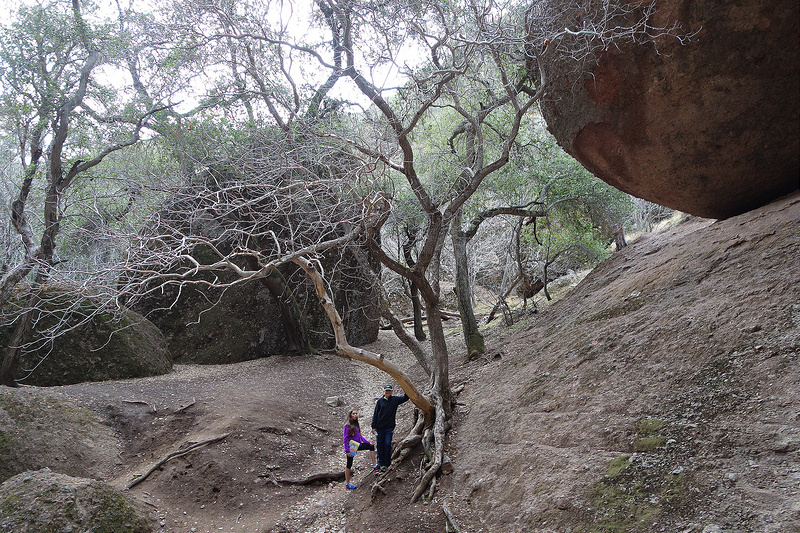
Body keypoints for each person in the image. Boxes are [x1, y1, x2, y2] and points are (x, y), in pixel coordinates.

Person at [371, 384, 409, 471]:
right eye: (386, 391)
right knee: (380, 445)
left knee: (387, 444)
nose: (388, 393)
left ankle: (387, 463)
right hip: (379, 428)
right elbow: (375, 414)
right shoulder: (380, 401)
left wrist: (405, 386)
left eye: (389, 391)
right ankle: (381, 463)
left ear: (392, 392)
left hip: (389, 427)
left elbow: (405, 398)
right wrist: (373, 426)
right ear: (384, 392)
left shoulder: (395, 399)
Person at [343, 410, 377, 490]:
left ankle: (375, 465)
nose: (355, 415)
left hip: (358, 444)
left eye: (356, 413)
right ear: (350, 415)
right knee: (349, 463)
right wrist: (347, 450)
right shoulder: (347, 425)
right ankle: (347, 483)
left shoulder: (356, 423)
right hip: (352, 446)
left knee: (371, 447)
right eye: (353, 414)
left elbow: (360, 436)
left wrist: (368, 443)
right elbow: (345, 439)